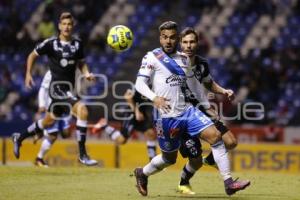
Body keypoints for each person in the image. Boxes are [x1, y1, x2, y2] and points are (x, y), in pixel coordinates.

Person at [133, 21, 250, 196]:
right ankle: (142, 173)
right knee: (169, 159)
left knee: (216, 137)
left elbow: (197, 83)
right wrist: (154, 97)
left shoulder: (185, 60)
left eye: (172, 37)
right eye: (165, 37)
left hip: (188, 111)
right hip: (166, 117)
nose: (168, 41)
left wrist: (208, 101)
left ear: (177, 38)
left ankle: (228, 182)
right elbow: (139, 83)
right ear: (160, 38)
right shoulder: (152, 57)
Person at [12, 12, 97, 166]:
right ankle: (82, 154)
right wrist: (28, 74)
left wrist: (86, 73)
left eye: (69, 24)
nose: (67, 27)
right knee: (83, 110)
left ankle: (20, 137)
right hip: (57, 89)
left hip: (68, 89)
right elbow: (32, 55)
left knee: (47, 121)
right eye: (64, 24)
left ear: (73, 26)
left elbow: (81, 63)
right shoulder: (51, 44)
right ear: (59, 26)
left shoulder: (78, 44)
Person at [177, 27, 239, 194]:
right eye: (185, 42)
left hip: (204, 109)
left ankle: (212, 160)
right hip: (185, 113)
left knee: (231, 142)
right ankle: (183, 182)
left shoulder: (202, 63)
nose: (188, 45)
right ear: (180, 44)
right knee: (195, 160)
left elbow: (209, 83)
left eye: (192, 42)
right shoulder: (172, 63)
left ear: (197, 44)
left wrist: (224, 91)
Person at [91, 89, 157, 161]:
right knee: (121, 140)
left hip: (143, 114)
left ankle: (153, 162)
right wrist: (136, 112)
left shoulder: (156, 85)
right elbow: (127, 96)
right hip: (132, 114)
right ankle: (104, 125)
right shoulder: (140, 83)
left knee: (151, 134)